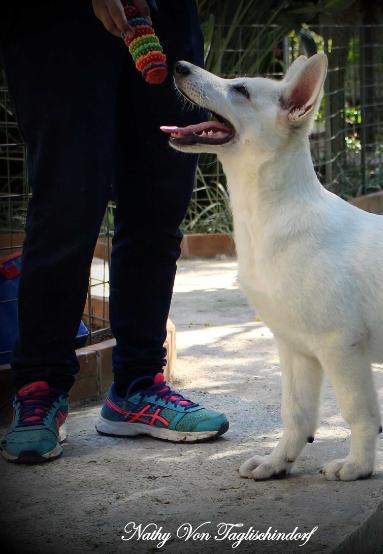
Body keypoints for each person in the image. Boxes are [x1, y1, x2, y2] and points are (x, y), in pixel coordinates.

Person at [0, 0, 228, 464]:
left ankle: (139, 387)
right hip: (56, 24)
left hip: (164, 15)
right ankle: (39, 387)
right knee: (68, 199)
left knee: (159, 201)